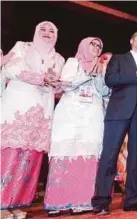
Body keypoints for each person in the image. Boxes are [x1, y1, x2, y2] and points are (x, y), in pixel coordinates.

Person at [91, 30, 137, 215]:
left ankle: (132, 200)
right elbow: (110, 79)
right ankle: (101, 201)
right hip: (119, 111)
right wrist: (136, 74)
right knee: (109, 154)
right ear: (131, 41)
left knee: (136, 158)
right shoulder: (119, 59)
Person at [1, 21, 65, 219]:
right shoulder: (22, 46)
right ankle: (2, 204)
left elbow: (58, 87)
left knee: (29, 160)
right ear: (36, 32)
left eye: (52, 30)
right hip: (17, 109)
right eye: (43, 30)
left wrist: (58, 84)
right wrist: (41, 79)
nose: (47, 33)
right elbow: (12, 69)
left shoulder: (59, 58)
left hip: (43, 113)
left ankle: (17, 202)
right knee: (9, 156)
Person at [45, 37, 108, 216]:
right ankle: (57, 203)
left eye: (99, 46)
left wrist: (98, 76)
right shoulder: (73, 62)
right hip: (70, 114)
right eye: (92, 44)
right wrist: (88, 74)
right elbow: (66, 83)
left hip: (92, 115)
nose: (96, 48)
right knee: (65, 152)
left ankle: (83, 201)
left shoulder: (101, 67)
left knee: (87, 155)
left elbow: (104, 92)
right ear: (83, 46)